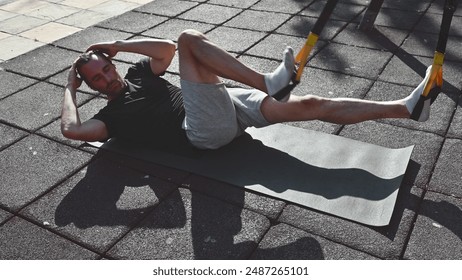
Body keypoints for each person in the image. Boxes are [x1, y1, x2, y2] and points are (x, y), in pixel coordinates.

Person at [61, 29, 437, 150]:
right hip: (201, 130)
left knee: (312, 103)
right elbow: (71, 130)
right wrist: (70, 88)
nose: (108, 76)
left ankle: (407, 107)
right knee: (189, 37)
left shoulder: (139, 72)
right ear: (92, 87)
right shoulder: (110, 116)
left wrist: (118, 46)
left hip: (222, 105)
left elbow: (166, 52)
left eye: (106, 68)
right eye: (98, 78)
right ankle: (268, 84)